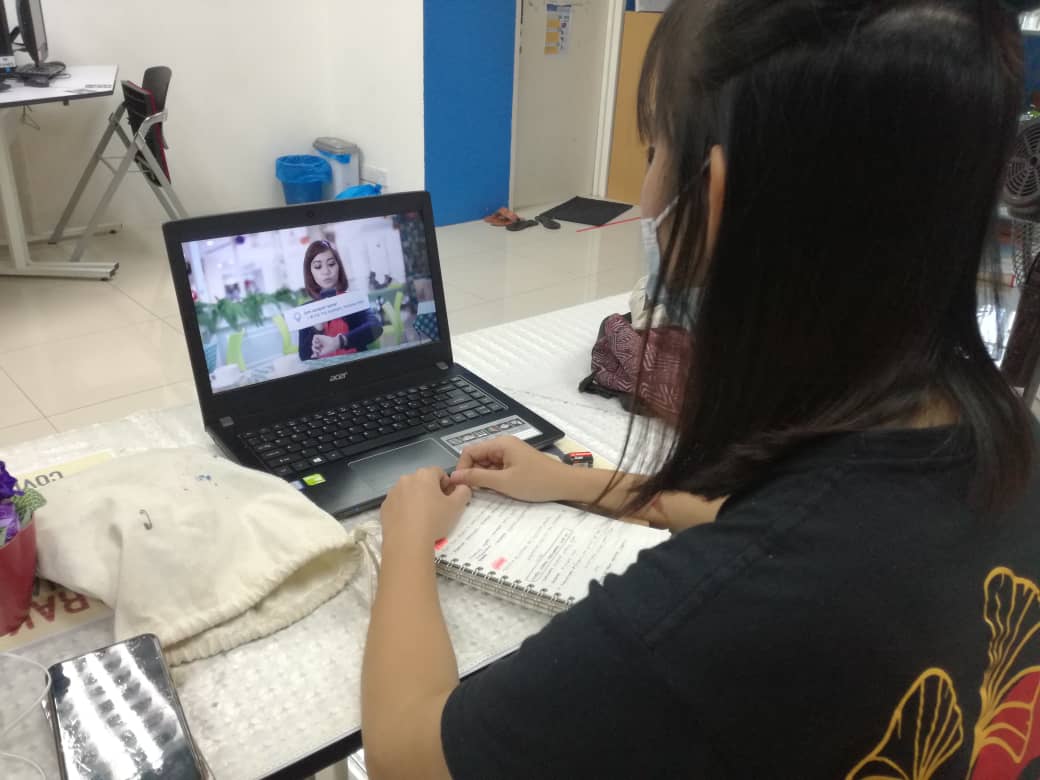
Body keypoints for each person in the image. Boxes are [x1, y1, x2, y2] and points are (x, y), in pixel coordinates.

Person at [361, 1, 1040, 777]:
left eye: (654, 150)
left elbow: (408, 754)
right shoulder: (1004, 445)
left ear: (715, 198)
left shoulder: (717, 614)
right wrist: (573, 481)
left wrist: (408, 535)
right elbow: (782, 521)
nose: (647, 197)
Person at [297, 240, 383, 360]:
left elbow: (376, 327)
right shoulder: (306, 310)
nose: (326, 271)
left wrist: (339, 342)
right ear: (310, 273)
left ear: (339, 267)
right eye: (318, 266)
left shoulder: (352, 300)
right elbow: (304, 357)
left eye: (331, 264)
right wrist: (317, 329)